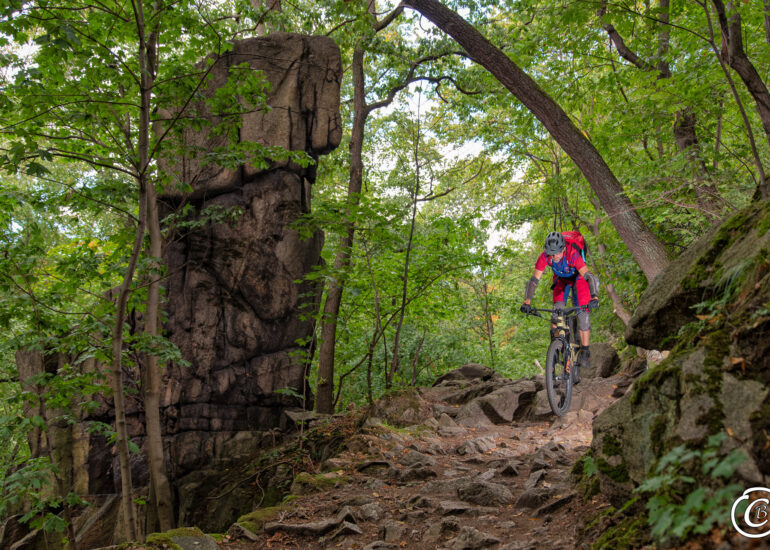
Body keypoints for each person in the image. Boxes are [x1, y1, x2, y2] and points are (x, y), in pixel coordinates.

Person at [520, 231, 599, 383]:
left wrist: (594, 296)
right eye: (551, 254)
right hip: (562, 279)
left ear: (563, 249)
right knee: (556, 311)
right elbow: (534, 281)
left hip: (579, 278)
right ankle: (555, 347)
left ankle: (585, 351)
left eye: (556, 253)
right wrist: (527, 301)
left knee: (583, 314)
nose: (554, 257)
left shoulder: (572, 254)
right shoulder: (544, 257)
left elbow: (588, 276)